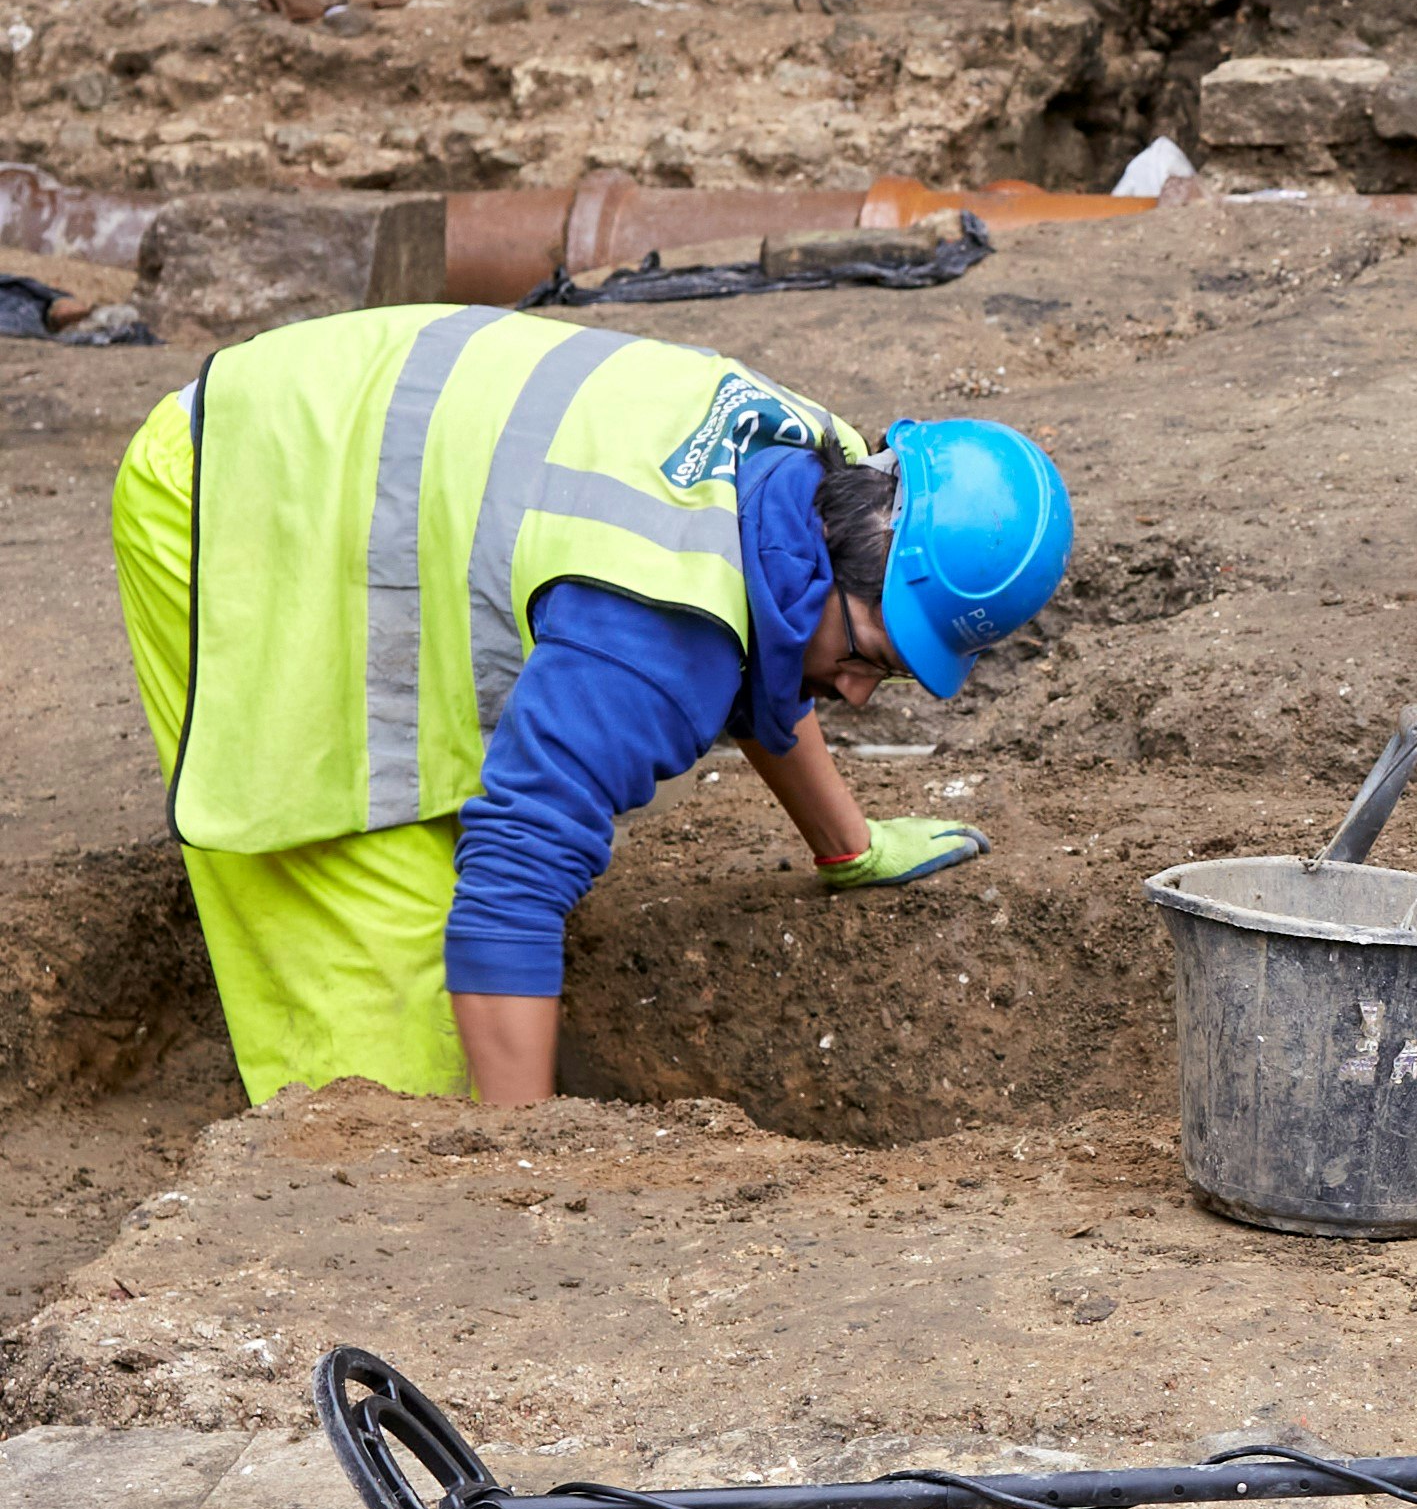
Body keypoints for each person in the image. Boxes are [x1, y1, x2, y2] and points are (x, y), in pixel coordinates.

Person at [109, 303, 1074, 1108]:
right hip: (240, 496)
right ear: (839, 546)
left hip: (350, 437)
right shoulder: (656, 640)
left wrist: (847, 844)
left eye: (896, 673)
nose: (861, 691)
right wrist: (529, 1164)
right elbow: (513, 884)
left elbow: (771, 653)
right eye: (870, 656)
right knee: (404, 1090)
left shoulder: (812, 465)